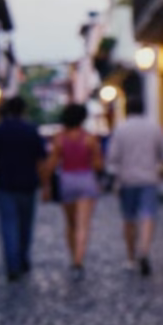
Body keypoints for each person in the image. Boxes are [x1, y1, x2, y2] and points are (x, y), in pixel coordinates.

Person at [0, 97, 47, 281]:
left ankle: (12, 265)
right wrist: (45, 185)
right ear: (24, 111)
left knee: (8, 225)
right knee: (25, 225)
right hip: (28, 185)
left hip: (4, 184)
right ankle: (23, 258)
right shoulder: (31, 130)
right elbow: (41, 160)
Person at [105, 96, 163, 276]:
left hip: (127, 180)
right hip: (149, 179)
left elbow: (112, 157)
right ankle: (144, 250)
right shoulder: (154, 128)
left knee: (129, 219)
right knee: (148, 215)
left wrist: (113, 178)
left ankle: (131, 257)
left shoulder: (120, 129)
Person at [44, 104, 102, 280]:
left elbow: (51, 165)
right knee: (83, 224)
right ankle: (79, 260)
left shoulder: (59, 139)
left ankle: (72, 257)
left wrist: (46, 185)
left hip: (67, 180)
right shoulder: (90, 139)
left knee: (70, 223)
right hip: (86, 180)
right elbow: (99, 164)